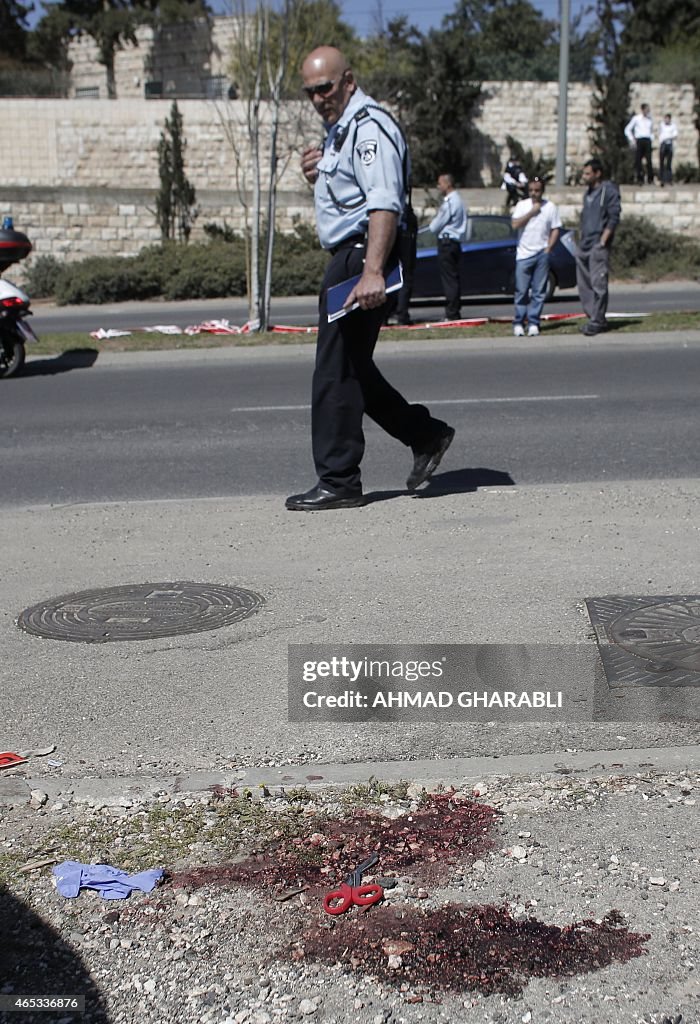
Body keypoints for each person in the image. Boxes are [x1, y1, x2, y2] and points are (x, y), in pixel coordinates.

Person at [285, 46, 455, 511]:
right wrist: (317, 175)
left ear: (349, 81)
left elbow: (384, 203)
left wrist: (373, 271)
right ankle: (426, 435)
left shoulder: (368, 128)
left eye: (325, 87)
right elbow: (353, 194)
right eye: (310, 91)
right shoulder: (341, 132)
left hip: (362, 256)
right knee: (353, 367)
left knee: (335, 371)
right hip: (354, 254)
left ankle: (338, 480)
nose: (318, 98)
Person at [510, 176, 562, 337]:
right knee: (521, 291)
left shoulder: (550, 207)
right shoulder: (522, 205)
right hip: (524, 254)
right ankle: (519, 322)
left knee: (539, 291)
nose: (534, 193)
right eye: (531, 190)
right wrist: (532, 212)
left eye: (537, 190)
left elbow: (555, 228)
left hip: (541, 253)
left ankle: (534, 322)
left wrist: (548, 248)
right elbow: (515, 224)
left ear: (542, 191)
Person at [575, 158, 622, 337]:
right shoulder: (588, 193)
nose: (584, 177)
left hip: (597, 245)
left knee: (598, 283)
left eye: (588, 173)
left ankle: (598, 320)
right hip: (584, 244)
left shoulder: (608, 191)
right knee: (584, 284)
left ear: (597, 173)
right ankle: (593, 317)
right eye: (584, 173)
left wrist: (603, 241)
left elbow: (614, 217)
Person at [428, 173, 468, 322]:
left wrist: (433, 225)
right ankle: (454, 310)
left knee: (449, 279)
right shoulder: (459, 201)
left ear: (447, 184)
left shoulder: (450, 202)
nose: (439, 187)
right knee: (454, 278)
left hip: (447, 243)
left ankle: (451, 312)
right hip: (455, 243)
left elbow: (435, 226)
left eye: (440, 184)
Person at [625, 104, 654, 185]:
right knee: (638, 160)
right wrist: (632, 139)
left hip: (647, 140)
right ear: (642, 110)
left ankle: (650, 178)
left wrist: (652, 138)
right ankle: (639, 178)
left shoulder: (650, 119)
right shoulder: (637, 119)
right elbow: (627, 129)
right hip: (639, 139)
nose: (647, 111)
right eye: (646, 109)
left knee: (649, 160)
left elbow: (651, 130)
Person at [658, 113, 678, 186]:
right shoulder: (662, 125)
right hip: (663, 144)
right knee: (662, 163)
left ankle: (669, 179)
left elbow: (675, 135)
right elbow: (660, 134)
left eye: (667, 118)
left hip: (669, 145)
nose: (666, 120)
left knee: (668, 163)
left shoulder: (673, 126)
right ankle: (662, 179)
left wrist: (668, 137)